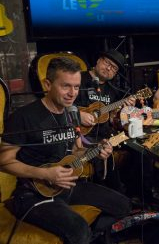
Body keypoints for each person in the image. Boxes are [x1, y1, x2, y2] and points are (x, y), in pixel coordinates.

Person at [0, 57, 131, 244]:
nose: (72, 93)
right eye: (66, 86)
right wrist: (44, 173)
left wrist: (98, 150)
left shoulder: (72, 114)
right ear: (48, 84)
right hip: (32, 193)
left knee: (123, 206)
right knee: (79, 231)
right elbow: (3, 161)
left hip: (66, 186)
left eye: (77, 87)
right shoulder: (24, 117)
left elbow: (77, 150)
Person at [74, 50, 135, 192]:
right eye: (107, 63)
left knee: (139, 151)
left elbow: (113, 118)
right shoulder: (78, 79)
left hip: (104, 136)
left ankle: (132, 195)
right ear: (98, 61)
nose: (109, 68)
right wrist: (79, 114)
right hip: (79, 135)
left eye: (114, 68)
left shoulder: (113, 90)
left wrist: (123, 109)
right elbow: (59, 105)